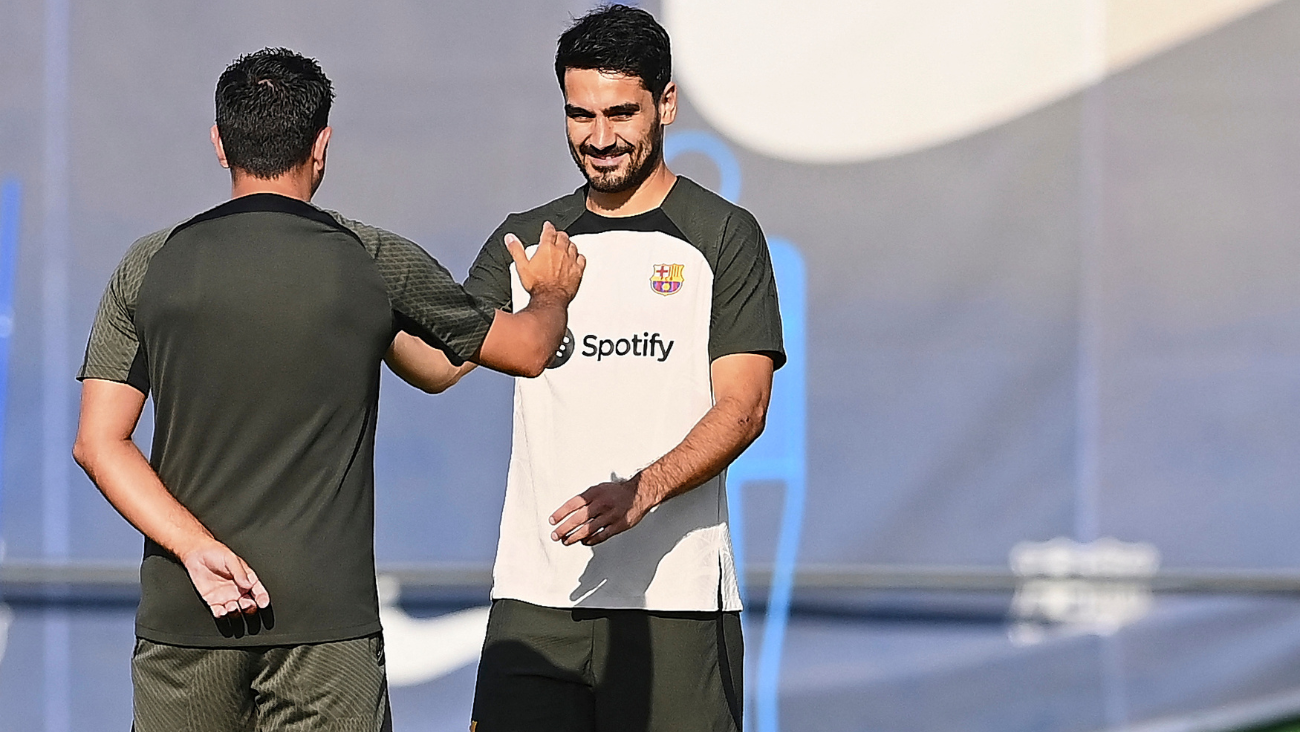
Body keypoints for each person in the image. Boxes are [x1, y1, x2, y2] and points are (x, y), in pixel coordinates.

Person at [71, 47, 584, 732]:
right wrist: (550, 293)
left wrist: (196, 549)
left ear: (220, 144)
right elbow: (526, 350)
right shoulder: (371, 260)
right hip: (327, 635)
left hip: (184, 624)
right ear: (322, 146)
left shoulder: (148, 265)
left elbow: (99, 444)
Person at [460, 6, 784, 731]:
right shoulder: (525, 244)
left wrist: (644, 489)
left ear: (665, 103)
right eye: (580, 115)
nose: (599, 139)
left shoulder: (723, 237)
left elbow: (745, 405)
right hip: (536, 602)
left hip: (676, 603)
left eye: (620, 113)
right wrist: (369, 286)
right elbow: (436, 362)